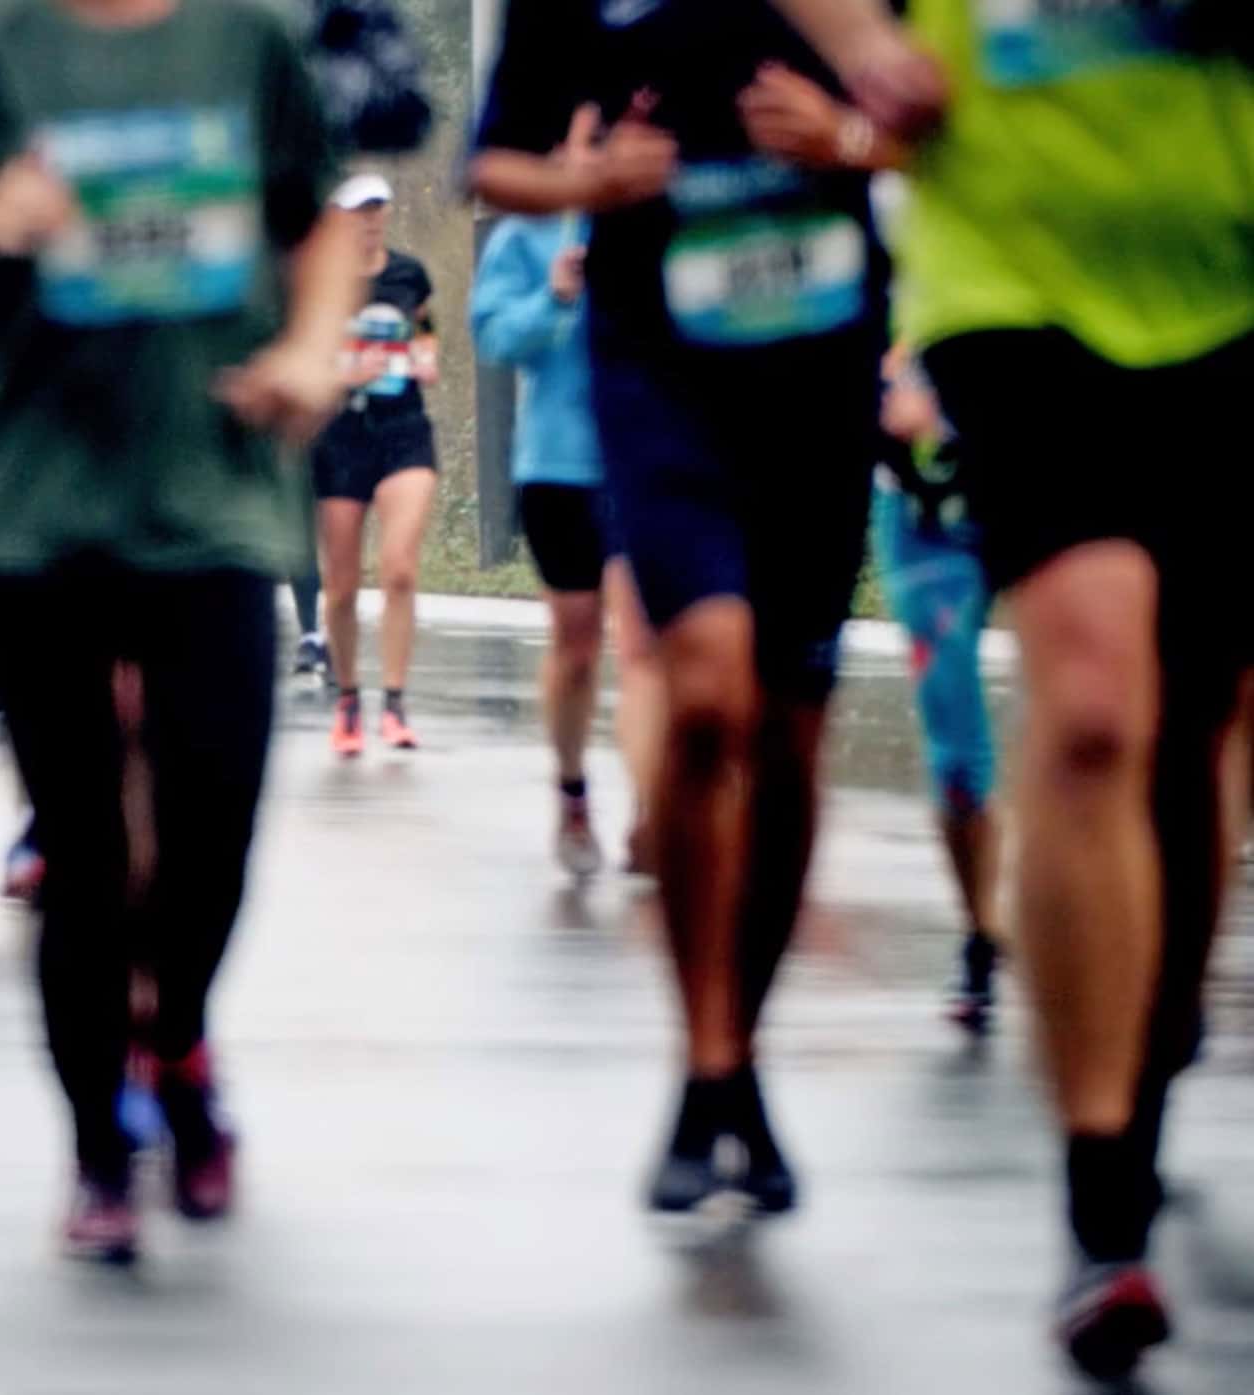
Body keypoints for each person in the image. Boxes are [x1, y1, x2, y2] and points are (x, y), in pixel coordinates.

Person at [767, 0, 1254, 1376]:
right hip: (1004, 266)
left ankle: (1149, 1036)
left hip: (1225, 258)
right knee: (1094, 702)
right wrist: (858, 37)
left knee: (1197, 714)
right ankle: (1102, 1209)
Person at [0, 0, 359, 1262]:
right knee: (79, 855)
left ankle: (175, 1035)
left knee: (212, 824)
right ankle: (97, 1150)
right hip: (36, 509)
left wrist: (307, 347)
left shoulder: (246, 48)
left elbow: (324, 230)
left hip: (214, 493)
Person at [471, 0, 899, 1220]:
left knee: (787, 731)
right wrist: (590, 178)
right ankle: (703, 1054)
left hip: (817, 381)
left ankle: (739, 1063)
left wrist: (846, 140)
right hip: (659, 382)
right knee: (704, 686)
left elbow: (958, 126)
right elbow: (489, 166)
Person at [472, 209, 663, 879]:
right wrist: (553, 294)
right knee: (576, 646)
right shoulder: (523, 235)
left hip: (642, 459)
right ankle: (572, 788)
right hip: (555, 465)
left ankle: (650, 813)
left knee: (641, 643)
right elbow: (494, 338)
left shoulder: (655, 213)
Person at [868, 343, 1004, 1031]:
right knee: (955, 752)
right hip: (925, 513)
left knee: (1099, 719)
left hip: (1064, 452)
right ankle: (982, 935)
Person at [309, 174, 442, 756]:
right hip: (339, 439)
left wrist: (426, 354)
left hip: (403, 432)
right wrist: (341, 374)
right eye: (359, 211)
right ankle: (347, 699)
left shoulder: (409, 274)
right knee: (340, 586)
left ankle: (394, 701)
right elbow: (303, 355)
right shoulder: (319, 280)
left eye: (377, 209)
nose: (370, 220)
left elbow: (426, 323)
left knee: (400, 570)